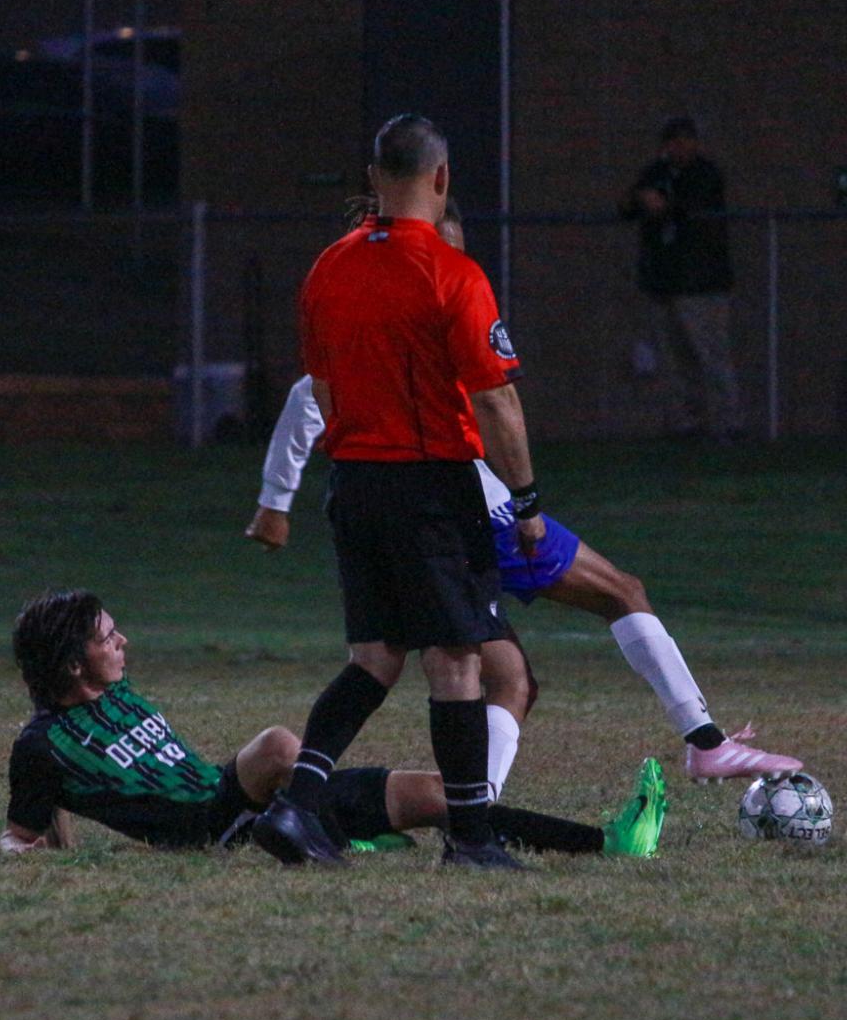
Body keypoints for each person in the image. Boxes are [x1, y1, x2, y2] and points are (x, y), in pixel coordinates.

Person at [246, 206, 799, 787]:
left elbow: (311, 394)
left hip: (390, 507)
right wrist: (526, 501)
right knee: (614, 596)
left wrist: (275, 503)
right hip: (463, 507)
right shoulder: (433, 299)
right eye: (447, 248)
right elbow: (494, 402)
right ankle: (703, 741)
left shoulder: (362, 304)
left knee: (487, 677)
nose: (453, 261)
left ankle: (447, 808)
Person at [251, 114, 543, 871]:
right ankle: (473, 840)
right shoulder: (452, 274)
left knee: (374, 656)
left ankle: (293, 810)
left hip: (355, 485)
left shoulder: (326, 269)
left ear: (373, 180)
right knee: (456, 661)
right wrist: (528, 501)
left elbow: (319, 384)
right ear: (440, 179)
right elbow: (495, 400)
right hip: (429, 488)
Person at [1, 590, 665, 859]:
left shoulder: (114, 696)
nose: (123, 644)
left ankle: (607, 844)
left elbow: (61, 807)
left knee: (444, 794)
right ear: (68, 666)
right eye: (107, 639)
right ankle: (315, 830)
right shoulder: (42, 745)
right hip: (204, 826)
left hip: (250, 805)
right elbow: (24, 833)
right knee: (277, 744)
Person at [620, 116, 741, 439]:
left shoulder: (705, 173)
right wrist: (640, 199)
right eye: (674, 141)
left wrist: (664, 205)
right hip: (665, 281)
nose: (680, 147)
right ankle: (687, 423)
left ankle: (727, 422)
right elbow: (628, 206)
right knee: (674, 358)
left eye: (686, 141)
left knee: (710, 353)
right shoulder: (657, 173)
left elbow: (692, 207)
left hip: (702, 282)